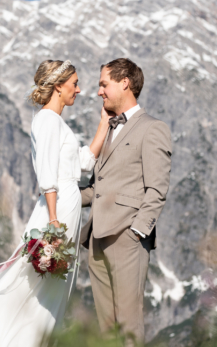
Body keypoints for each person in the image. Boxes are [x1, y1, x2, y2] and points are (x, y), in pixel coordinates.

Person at [0, 60, 111, 347]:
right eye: (74, 84)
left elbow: (84, 164)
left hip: (66, 206)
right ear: (58, 86)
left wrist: (103, 124)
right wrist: (53, 221)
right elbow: (47, 175)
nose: (79, 90)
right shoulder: (47, 119)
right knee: (32, 283)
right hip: (57, 209)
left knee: (51, 287)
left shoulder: (56, 122)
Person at [80, 58, 172, 346]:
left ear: (124, 83)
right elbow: (97, 188)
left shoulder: (153, 128)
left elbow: (157, 189)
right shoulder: (109, 128)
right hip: (96, 239)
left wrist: (137, 232)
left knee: (129, 327)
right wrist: (56, 196)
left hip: (127, 238)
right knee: (107, 330)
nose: (99, 92)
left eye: (103, 84)